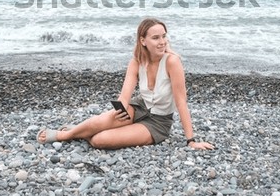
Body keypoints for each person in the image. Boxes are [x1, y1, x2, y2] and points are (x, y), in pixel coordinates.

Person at [37, 18, 214, 150]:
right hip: (138, 107)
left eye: (164, 36)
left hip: (158, 122)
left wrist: (191, 141)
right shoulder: (136, 62)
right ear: (143, 41)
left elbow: (181, 101)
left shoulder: (172, 62)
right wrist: (119, 108)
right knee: (102, 120)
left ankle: (79, 132)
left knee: (100, 140)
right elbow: (124, 95)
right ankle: (66, 134)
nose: (162, 42)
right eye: (155, 38)